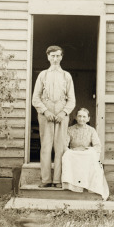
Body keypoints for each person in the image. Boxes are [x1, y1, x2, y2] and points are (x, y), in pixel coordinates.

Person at [32, 45, 76, 188]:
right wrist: (45, 111)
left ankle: (57, 180)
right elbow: (35, 98)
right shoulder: (43, 75)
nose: (55, 59)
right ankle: (46, 179)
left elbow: (72, 99)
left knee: (60, 147)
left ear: (61, 57)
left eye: (58, 56)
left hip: (62, 113)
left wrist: (63, 112)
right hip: (46, 113)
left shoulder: (66, 76)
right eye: (52, 56)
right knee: (45, 146)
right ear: (48, 57)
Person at [62, 108, 109, 200]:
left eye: (84, 117)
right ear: (75, 117)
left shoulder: (92, 130)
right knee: (67, 155)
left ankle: (89, 185)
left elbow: (97, 146)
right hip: (74, 154)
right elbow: (64, 145)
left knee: (92, 156)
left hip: (85, 154)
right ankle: (72, 185)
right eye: (79, 116)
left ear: (88, 119)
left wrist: (87, 150)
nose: (81, 119)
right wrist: (71, 151)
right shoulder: (70, 130)